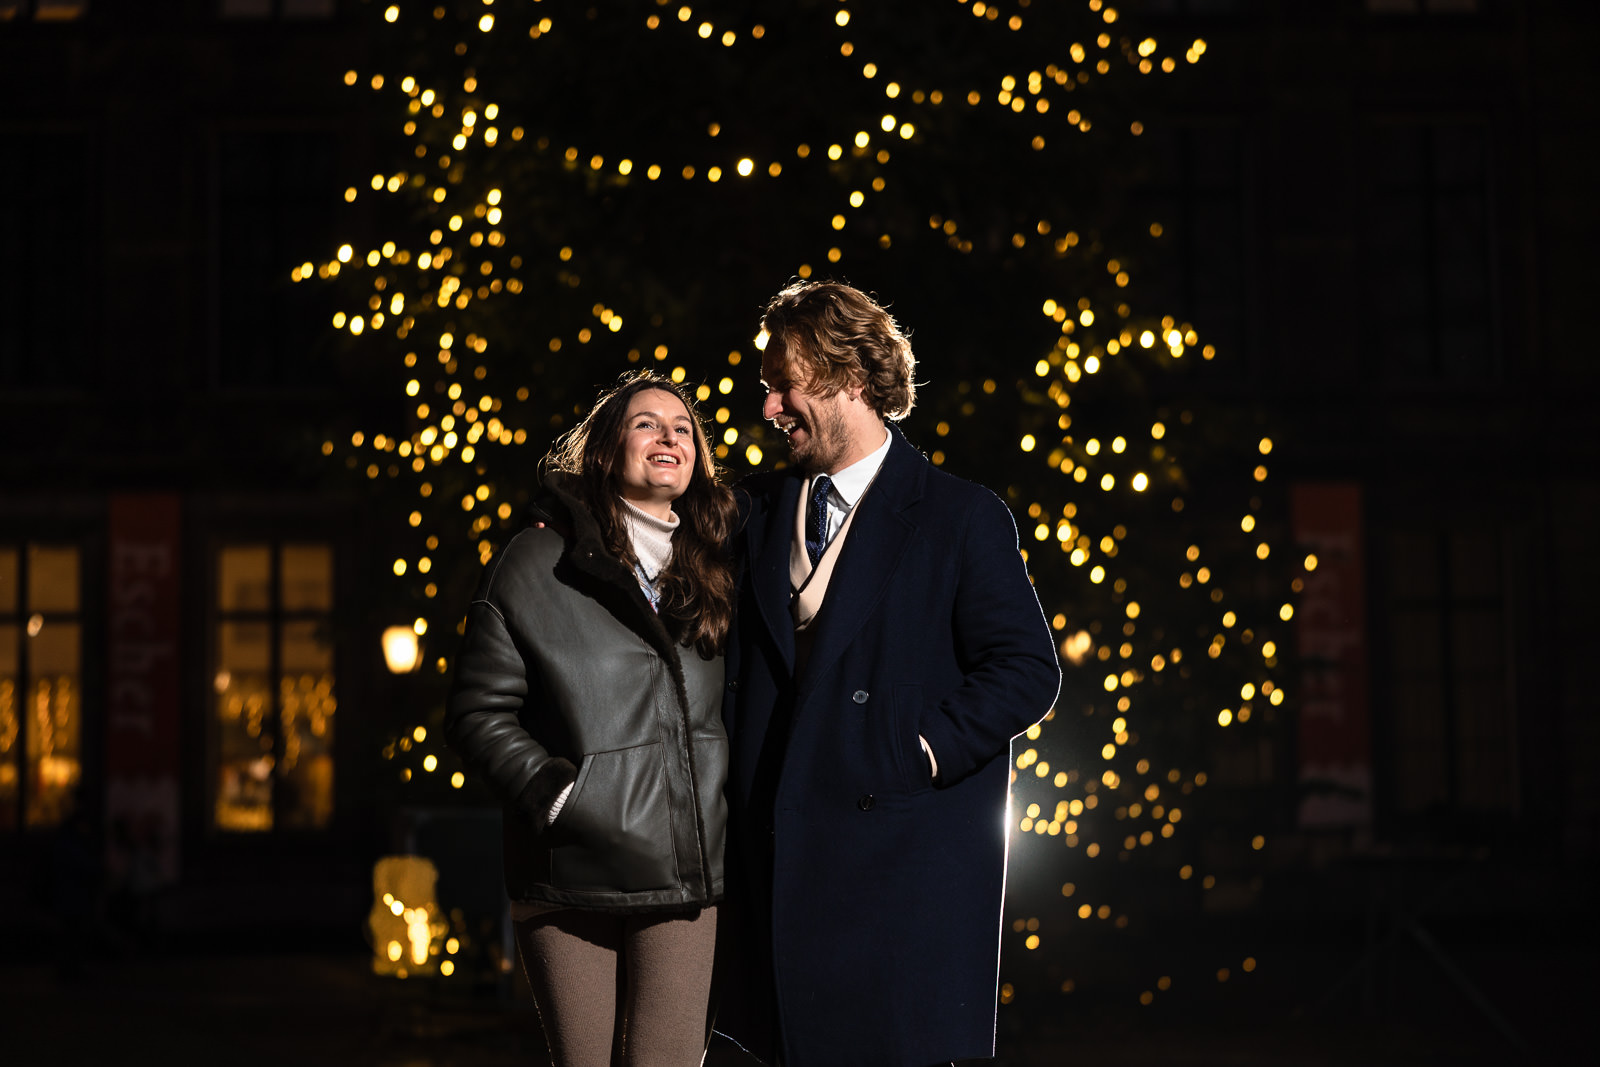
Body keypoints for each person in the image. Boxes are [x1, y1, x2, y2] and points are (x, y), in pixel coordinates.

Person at [714, 281, 1063, 1067]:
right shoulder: (748, 511)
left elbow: (1027, 670)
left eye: (784, 386)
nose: (768, 409)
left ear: (849, 378)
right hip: (777, 875)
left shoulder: (959, 516)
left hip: (897, 880)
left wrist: (918, 749)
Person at [445, 370, 737, 1067]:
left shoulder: (719, 569)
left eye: (682, 427)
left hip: (685, 878)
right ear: (607, 449)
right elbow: (476, 711)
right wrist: (556, 795)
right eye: (646, 423)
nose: (669, 434)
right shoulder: (536, 559)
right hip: (568, 871)